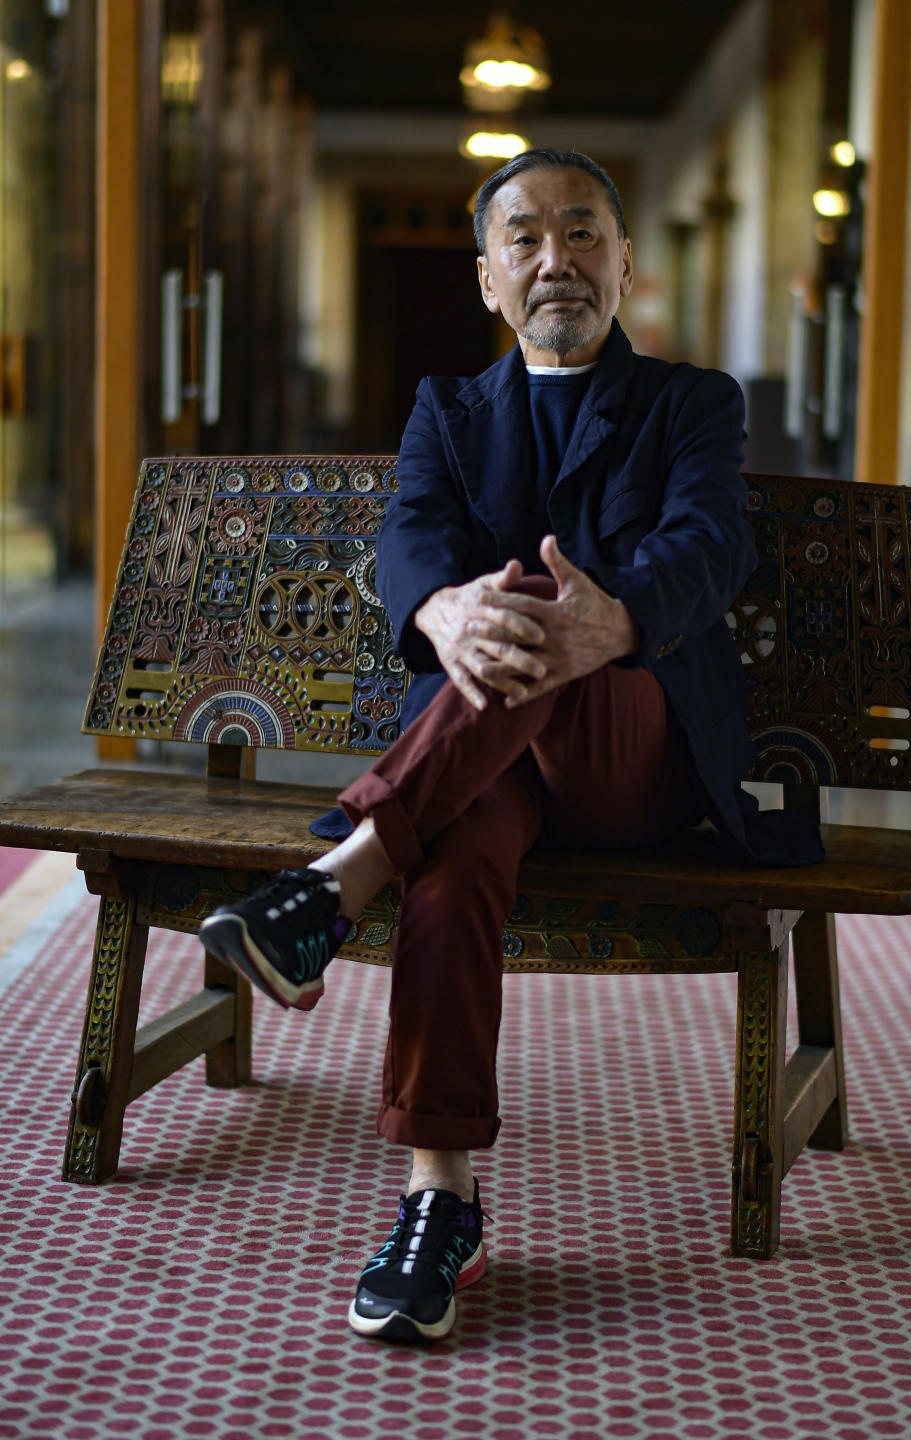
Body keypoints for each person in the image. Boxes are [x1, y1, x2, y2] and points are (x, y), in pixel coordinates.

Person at [199, 149, 822, 1344]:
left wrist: (617, 619)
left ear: (626, 263)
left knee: (538, 630)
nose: (558, 260)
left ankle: (331, 888)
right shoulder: (449, 409)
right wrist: (437, 610)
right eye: (526, 239)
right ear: (489, 279)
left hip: (635, 759)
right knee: (453, 849)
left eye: (584, 234)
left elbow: (711, 546)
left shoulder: (692, 404)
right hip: (485, 779)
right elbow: (411, 541)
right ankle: (441, 1195)